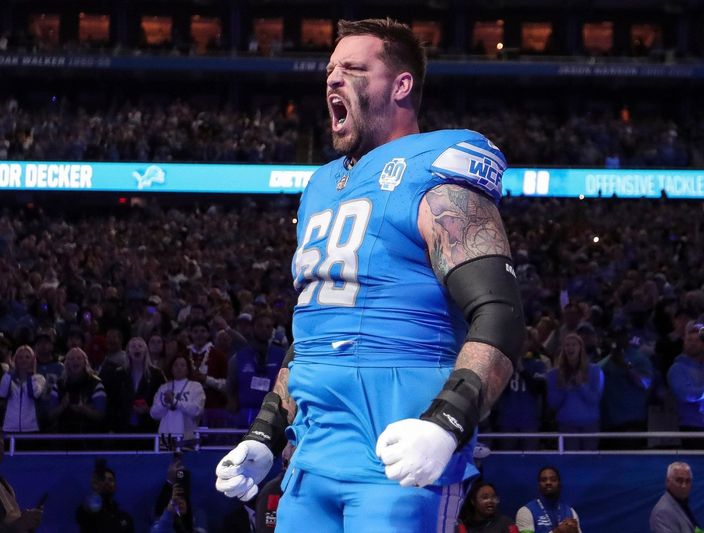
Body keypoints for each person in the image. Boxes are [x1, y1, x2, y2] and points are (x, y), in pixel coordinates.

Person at [215, 18, 524, 532]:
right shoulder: (320, 186)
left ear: (400, 85)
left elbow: (499, 314)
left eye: (354, 69)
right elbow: (315, 331)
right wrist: (265, 433)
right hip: (311, 458)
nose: (333, 79)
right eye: (331, 69)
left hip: (398, 454)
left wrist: (448, 420)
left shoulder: (439, 170)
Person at [545, 333, 604, 450]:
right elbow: (553, 404)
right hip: (567, 425)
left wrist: (581, 385)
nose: (570, 348)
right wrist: (564, 386)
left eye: (573, 345)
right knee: (570, 463)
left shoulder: (595, 371)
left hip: (589, 424)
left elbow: (595, 399)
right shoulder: (553, 375)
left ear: (581, 348)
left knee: (588, 461)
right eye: (567, 345)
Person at [151, 354, 205, 447]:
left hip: (188, 437)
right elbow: (154, 414)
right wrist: (164, 404)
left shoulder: (195, 387)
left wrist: (175, 402)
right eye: (175, 365)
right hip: (165, 437)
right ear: (171, 369)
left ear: (188, 369)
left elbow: (197, 410)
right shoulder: (164, 387)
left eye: (182, 365)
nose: (179, 368)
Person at [667, 321, 704, 448]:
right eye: (689, 340)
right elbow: (687, 395)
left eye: (697, 340)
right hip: (692, 427)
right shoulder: (677, 368)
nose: (692, 343)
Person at [76, 459, 135, 533]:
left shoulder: (125, 518)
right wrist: (96, 490)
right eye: (103, 480)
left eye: (110, 480)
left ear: (115, 486)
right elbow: (87, 510)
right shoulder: (86, 513)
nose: (106, 482)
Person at [515, 467, 581, 533]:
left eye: (553, 479)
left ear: (559, 484)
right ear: (538, 485)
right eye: (543, 480)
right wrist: (558, 531)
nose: (548, 482)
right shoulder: (526, 511)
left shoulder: (571, 512)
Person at [0, 345, 46, 433]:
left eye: (27, 357)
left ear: (33, 360)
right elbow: (2, 394)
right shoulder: (7, 377)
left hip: (31, 428)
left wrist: (31, 374)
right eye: (20, 357)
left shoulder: (39, 378)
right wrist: (11, 372)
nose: (24, 360)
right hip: (9, 427)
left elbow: (34, 394)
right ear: (15, 360)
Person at [649, 461, 701, 533]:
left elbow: (695, 529)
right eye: (679, 480)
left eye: (687, 481)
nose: (684, 485)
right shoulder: (662, 512)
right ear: (668, 482)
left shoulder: (683, 504)